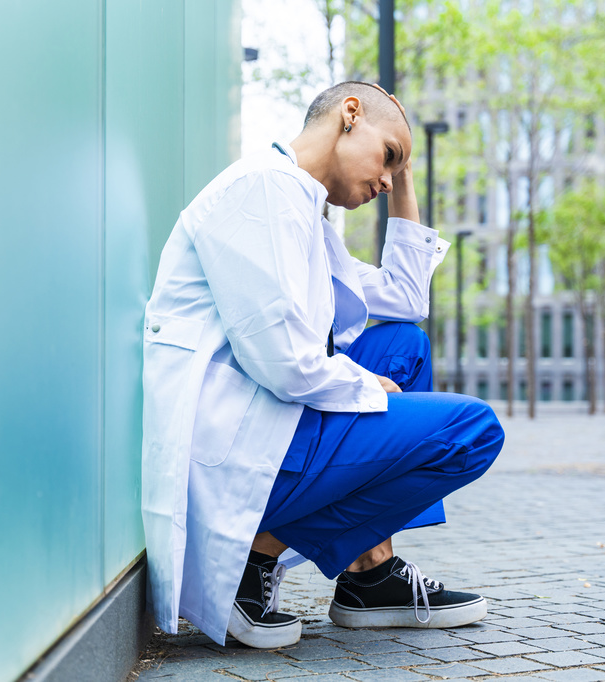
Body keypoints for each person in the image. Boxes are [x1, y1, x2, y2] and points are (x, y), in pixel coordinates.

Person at [141, 81, 504, 650]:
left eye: (395, 171)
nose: (385, 181)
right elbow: (283, 361)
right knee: (471, 431)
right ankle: (252, 558)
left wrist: (404, 171)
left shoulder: (303, 209)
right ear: (349, 115)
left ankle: (369, 574)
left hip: (273, 423)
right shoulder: (263, 192)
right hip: (239, 442)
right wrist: (365, 385)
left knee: (403, 345)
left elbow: (407, 299)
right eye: (387, 156)